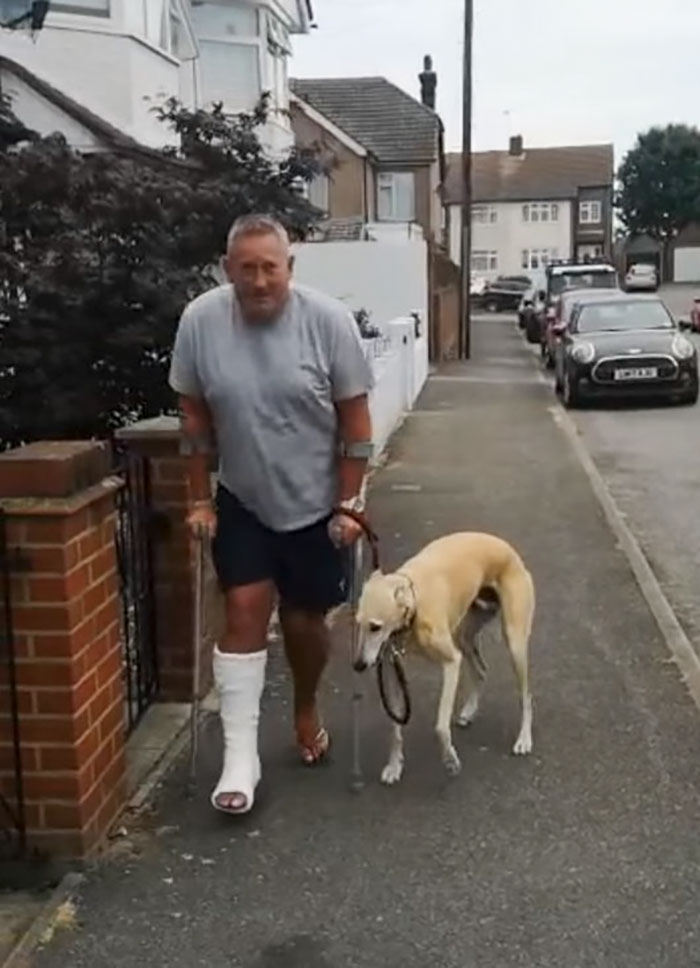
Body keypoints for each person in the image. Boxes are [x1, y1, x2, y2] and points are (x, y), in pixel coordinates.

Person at [168, 213, 374, 815]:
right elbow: (194, 421)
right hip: (245, 498)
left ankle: (305, 707)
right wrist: (199, 498)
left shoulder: (327, 322)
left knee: (308, 624)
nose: (259, 282)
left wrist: (351, 503)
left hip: (316, 501)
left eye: (270, 268)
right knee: (244, 609)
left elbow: (356, 425)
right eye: (246, 269)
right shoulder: (201, 321)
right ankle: (240, 759)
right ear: (228, 269)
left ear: (290, 268)